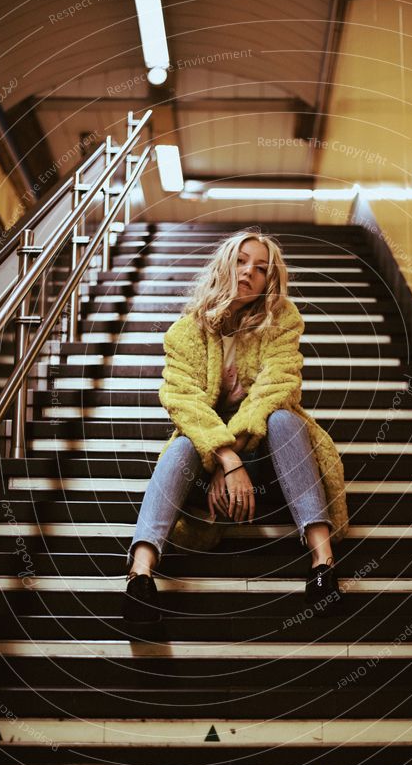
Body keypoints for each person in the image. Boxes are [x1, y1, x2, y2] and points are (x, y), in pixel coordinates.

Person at [122, 228, 349, 623]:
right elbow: (183, 401)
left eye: (261, 269)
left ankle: (323, 565)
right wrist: (224, 461)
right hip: (211, 465)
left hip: (269, 463)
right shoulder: (186, 333)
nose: (248, 272)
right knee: (180, 446)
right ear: (224, 264)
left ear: (268, 284)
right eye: (242, 261)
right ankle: (139, 577)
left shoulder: (281, 322)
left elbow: (278, 388)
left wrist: (235, 461)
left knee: (283, 419)